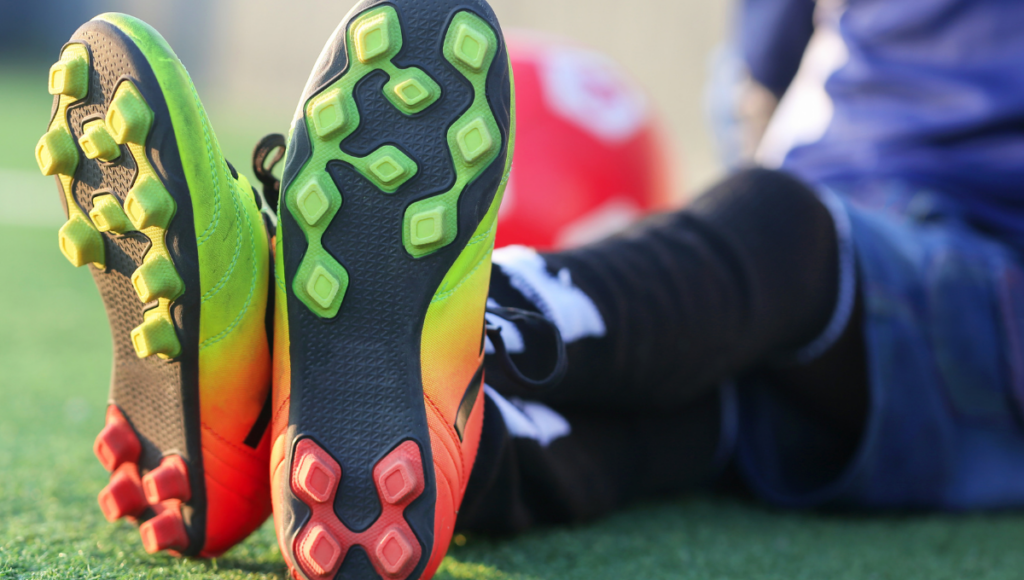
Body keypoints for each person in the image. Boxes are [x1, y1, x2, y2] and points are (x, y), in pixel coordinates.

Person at [34, 1, 1024, 579]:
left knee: (778, 231)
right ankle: (391, 425)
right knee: (662, 430)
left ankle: (321, 367)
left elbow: (763, 83)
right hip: (862, 310)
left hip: (967, 275)